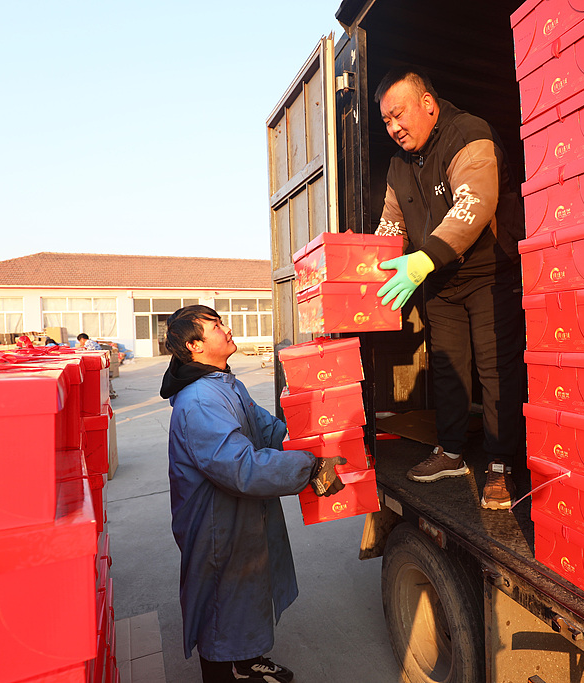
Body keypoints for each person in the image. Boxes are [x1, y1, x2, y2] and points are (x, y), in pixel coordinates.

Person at [159, 305, 345, 683]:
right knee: (220, 605)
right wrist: (307, 468)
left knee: (247, 592)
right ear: (195, 346)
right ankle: (219, 674)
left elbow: (265, 428)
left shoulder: (225, 382)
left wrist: (312, 441)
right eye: (216, 326)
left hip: (239, 517)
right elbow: (239, 467)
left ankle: (247, 660)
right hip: (216, 524)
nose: (227, 330)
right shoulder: (199, 401)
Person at [374, 67, 526, 511]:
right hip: (440, 281)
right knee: (448, 368)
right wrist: (365, 268)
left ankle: (501, 466)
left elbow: (474, 205)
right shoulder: (398, 166)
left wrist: (421, 260)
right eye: (385, 121)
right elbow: (391, 225)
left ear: (427, 103)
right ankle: (452, 453)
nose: (393, 128)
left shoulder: (468, 134)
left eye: (398, 114)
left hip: (488, 272)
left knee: (496, 369)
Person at [78, 333, 118, 399]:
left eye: (80, 341)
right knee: (106, 379)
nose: (80, 343)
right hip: (102, 362)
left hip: (97, 364)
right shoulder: (92, 342)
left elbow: (88, 355)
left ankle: (108, 393)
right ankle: (110, 392)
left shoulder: (88, 344)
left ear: (82, 339)